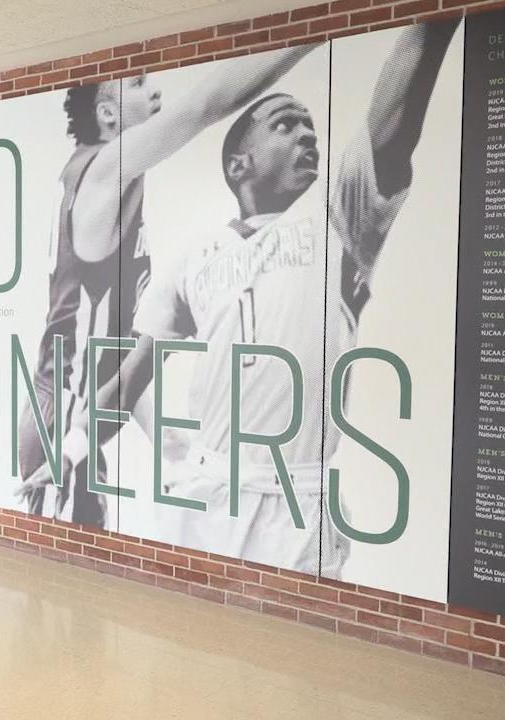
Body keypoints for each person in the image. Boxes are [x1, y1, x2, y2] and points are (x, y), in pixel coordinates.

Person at [22, 21, 460, 572]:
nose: (309, 137)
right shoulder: (180, 245)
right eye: (286, 125)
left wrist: (436, 23)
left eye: (311, 129)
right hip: (167, 473)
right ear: (239, 165)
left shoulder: (339, 220)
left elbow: (392, 128)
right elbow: (131, 373)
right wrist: (69, 449)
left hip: (291, 500)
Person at [16, 44, 320, 525]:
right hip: (64, 413)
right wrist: (311, 32)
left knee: (75, 573)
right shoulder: (99, 171)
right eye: (138, 83)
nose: (155, 89)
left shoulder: (112, 186)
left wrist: (168, 441)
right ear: (108, 113)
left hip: (74, 410)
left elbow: (116, 351)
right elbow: (203, 106)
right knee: (62, 582)